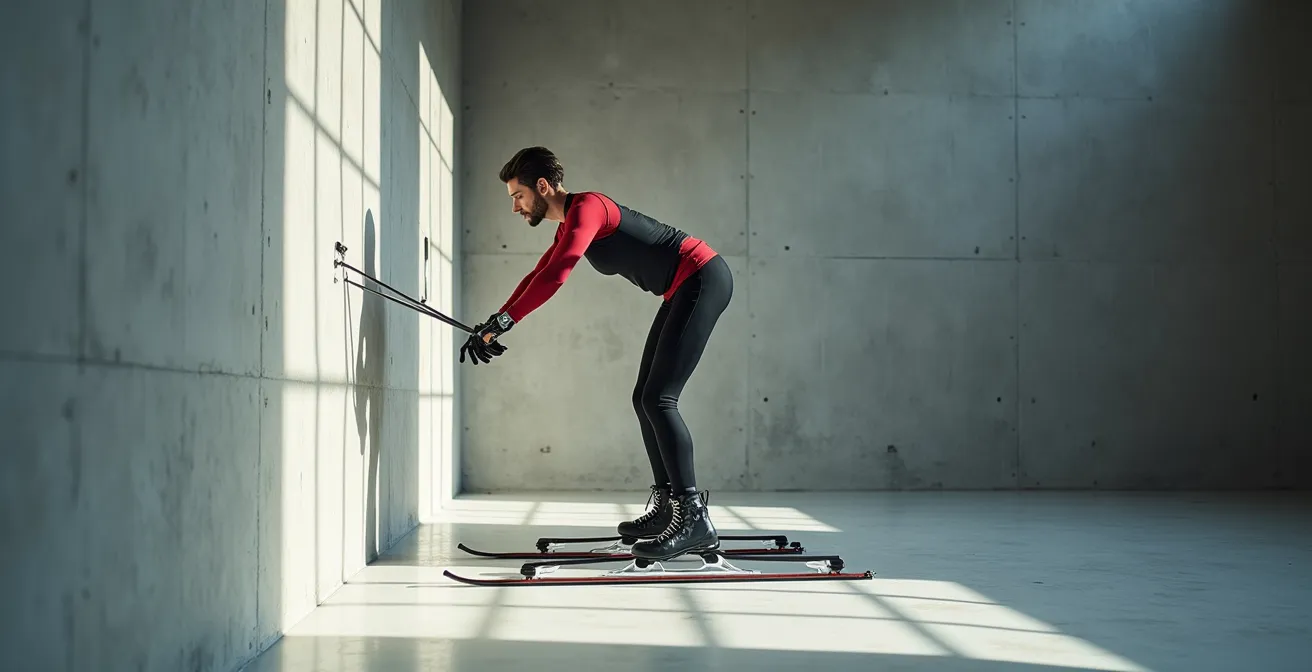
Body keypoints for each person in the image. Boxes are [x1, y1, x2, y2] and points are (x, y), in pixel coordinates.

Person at [459, 146, 733, 562]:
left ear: (543, 186)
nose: (515, 207)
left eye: (517, 196)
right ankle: (667, 509)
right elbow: (539, 271)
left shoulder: (587, 206)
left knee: (660, 399)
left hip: (702, 277)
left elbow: (558, 271)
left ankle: (693, 517)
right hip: (681, 289)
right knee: (645, 398)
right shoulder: (570, 222)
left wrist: (505, 322)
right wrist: (495, 321)